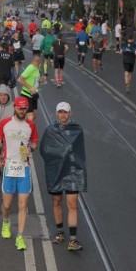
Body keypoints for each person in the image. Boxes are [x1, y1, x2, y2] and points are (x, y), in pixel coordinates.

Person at [0, 96, 39, 251]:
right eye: (19, 108)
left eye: (24, 108)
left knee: (23, 204)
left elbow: (35, 143)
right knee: (7, 204)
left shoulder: (30, 125)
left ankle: (20, 236)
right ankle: (5, 221)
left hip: (24, 168)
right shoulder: (5, 124)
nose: (22, 111)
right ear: (15, 107)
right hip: (9, 167)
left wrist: (30, 149)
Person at [39, 101, 87, 252]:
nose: (63, 115)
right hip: (56, 171)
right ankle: (60, 232)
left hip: (73, 172)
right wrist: (58, 157)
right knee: (57, 200)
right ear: (56, 113)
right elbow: (44, 150)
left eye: (65, 112)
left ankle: (73, 240)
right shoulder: (50, 130)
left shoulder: (77, 130)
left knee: (72, 204)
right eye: (60, 112)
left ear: (70, 113)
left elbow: (79, 152)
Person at [17, 55, 41, 120]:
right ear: (37, 62)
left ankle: (24, 125)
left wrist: (41, 80)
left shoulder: (37, 69)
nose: (40, 65)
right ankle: (27, 129)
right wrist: (30, 88)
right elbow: (20, 79)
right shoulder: (31, 68)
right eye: (40, 63)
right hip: (27, 94)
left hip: (34, 95)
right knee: (30, 117)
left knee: (34, 115)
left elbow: (34, 80)